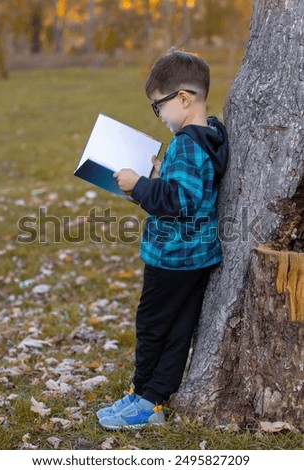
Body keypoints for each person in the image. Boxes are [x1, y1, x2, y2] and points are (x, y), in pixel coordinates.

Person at [97, 49, 228, 430]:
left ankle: (144, 396)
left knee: (153, 327)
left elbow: (180, 201)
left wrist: (140, 187)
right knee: (178, 330)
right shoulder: (211, 135)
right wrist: (157, 175)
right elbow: (190, 188)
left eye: (159, 107)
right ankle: (155, 399)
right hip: (197, 258)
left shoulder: (187, 143)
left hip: (172, 258)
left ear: (184, 99)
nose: (159, 116)